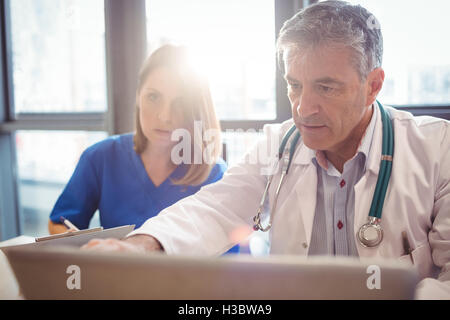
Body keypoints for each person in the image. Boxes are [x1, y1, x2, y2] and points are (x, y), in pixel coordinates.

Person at [82, 1, 450, 298]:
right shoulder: (279, 146)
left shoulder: (438, 151)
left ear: (373, 86)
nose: (303, 108)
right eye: (294, 85)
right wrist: (140, 247)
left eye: (326, 87)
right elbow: (213, 209)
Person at [48, 44, 239, 252]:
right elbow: (59, 222)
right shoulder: (100, 157)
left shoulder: (213, 174)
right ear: (138, 95)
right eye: (153, 97)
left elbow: (226, 258)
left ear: (195, 109)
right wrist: (93, 252)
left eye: (181, 103)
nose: (165, 116)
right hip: (115, 281)